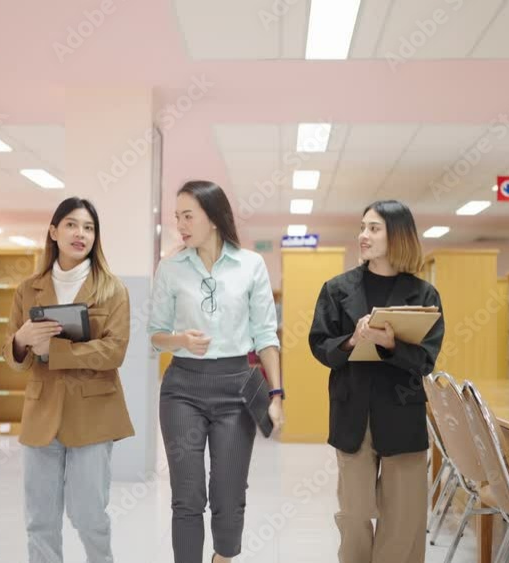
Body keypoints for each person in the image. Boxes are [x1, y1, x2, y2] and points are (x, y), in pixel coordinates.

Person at [148, 180, 284, 563]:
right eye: (177, 217)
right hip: (182, 389)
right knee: (187, 495)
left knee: (228, 493)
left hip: (237, 389)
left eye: (187, 216)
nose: (180, 225)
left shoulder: (250, 265)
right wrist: (179, 340)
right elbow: (154, 335)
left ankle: (222, 558)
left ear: (213, 217)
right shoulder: (171, 268)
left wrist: (276, 395)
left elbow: (265, 335)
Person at [308, 200, 445, 563]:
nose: (363, 235)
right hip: (353, 412)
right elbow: (320, 346)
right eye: (362, 227)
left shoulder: (424, 295)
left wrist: (391, 345)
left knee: (403, 520)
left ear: (396, 235)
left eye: (373, 228)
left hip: (402, 412)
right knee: (354, 514)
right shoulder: (336, 289)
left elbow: (425, 361)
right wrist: (352, 339)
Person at [4, 197, 134, 563]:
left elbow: (114, 352)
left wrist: (55, 351)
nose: (81, 234)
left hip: (93, 415)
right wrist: (20, 341)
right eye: (72, 225)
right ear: (54, 232)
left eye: (89, 228)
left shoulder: (112, 289)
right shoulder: (28, 289)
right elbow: (14, 357)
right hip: (41, 414)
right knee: (40, 520)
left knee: (88, 515)